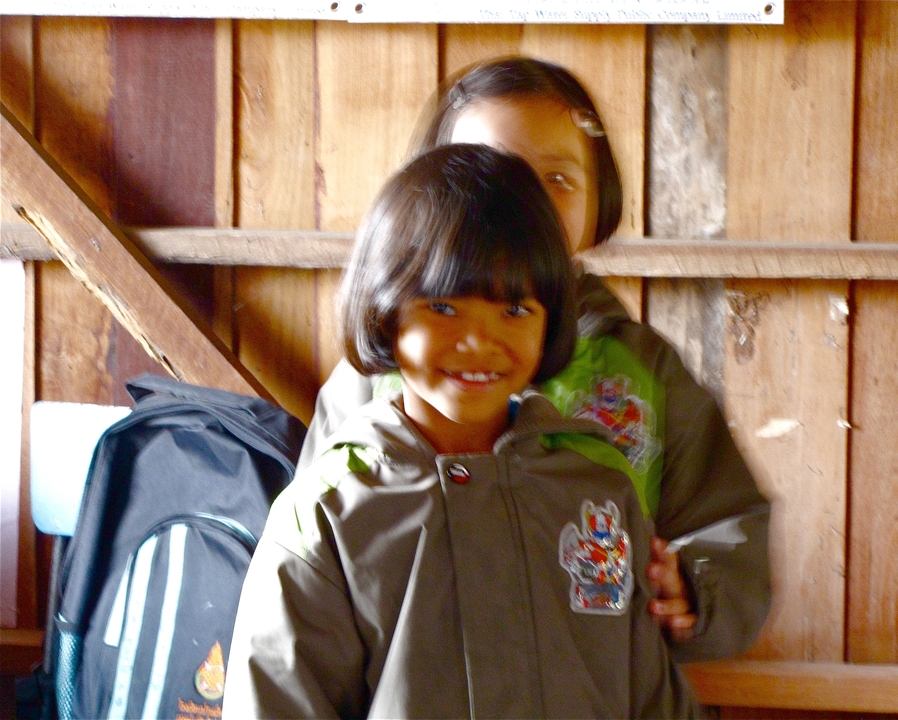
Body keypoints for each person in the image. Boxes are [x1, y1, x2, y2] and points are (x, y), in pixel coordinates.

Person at [299, 56, 771, 662]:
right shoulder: (377, 375)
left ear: (599, 199)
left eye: (558, 178)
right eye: (491, 175)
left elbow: (729, 524)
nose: (524, 203)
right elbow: (310, 551)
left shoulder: (643, 372)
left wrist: (694, 587)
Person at [222, 144, 701, 718]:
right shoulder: (327, 514)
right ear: (385, 310)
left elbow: (653, 700)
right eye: (444, 308)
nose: (480, 342)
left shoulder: (597, 491)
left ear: (552, 319)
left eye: (516, 310)